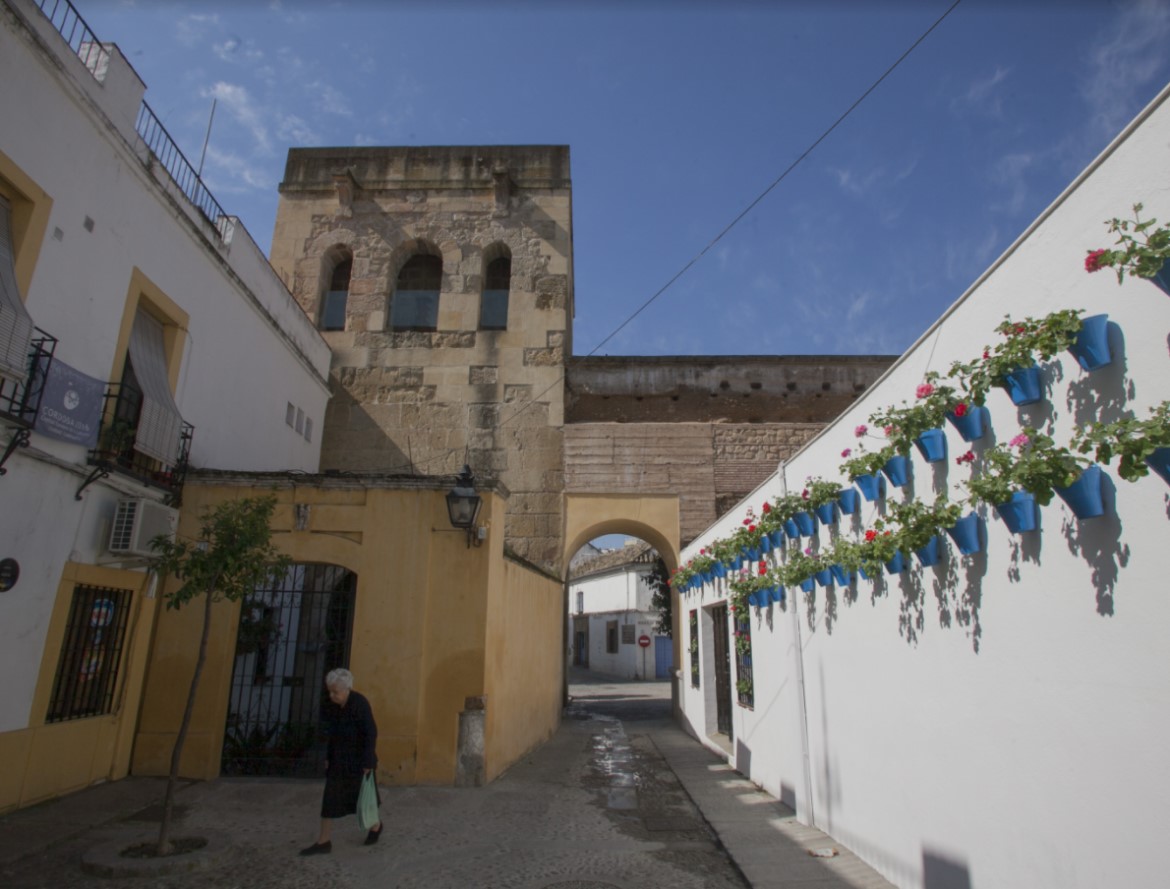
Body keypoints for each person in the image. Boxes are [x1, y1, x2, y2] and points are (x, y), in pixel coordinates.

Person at [299, 668, 382, 855]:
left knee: (362, 800)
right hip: (339, 760)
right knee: (329, 800)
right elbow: (333, 735)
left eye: (335, 691)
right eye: (330, 691)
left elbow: (370, 732)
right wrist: (328, 757)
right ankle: (324, 841)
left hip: (358, 762)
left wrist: (368, 761)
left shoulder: (359, 704)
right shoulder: (335, 707)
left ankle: (376, 825)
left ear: (347, 689)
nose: (331, 695)